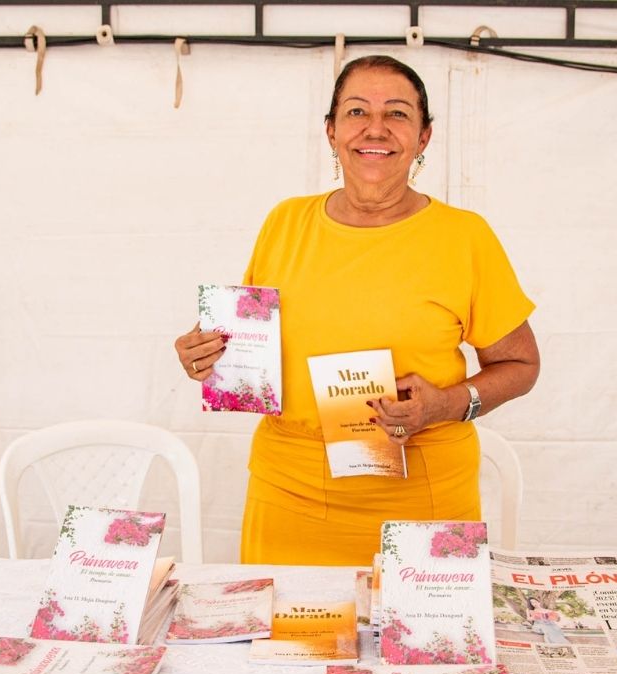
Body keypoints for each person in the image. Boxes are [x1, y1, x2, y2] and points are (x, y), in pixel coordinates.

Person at [175, 55, 539, 566]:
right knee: (285, 623)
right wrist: (206, 353)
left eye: (397, 113)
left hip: (422, 501)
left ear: (424, 136)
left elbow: (521, 365)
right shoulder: (284, 222)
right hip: (288, 497)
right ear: (331, 130)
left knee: (415, 622)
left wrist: (447, 404)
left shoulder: (465, 237)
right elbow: (249, 343)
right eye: (356, 111)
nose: (376, 128)